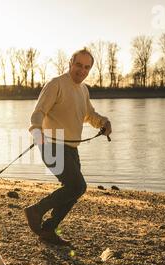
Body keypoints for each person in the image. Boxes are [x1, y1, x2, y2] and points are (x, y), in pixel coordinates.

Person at [24, 47, 112, 246]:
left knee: (74, 189)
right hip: (51, 144)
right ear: (70, 63)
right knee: (77, 185)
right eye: (78, 65)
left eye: (86, 67)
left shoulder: (83, 90)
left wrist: (104, 122)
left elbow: (89, 115)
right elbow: (38, 112)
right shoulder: (56, 84)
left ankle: (48, 230)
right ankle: (36, 211)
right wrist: (37, 132)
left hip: (71, 147)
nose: (82, 70)